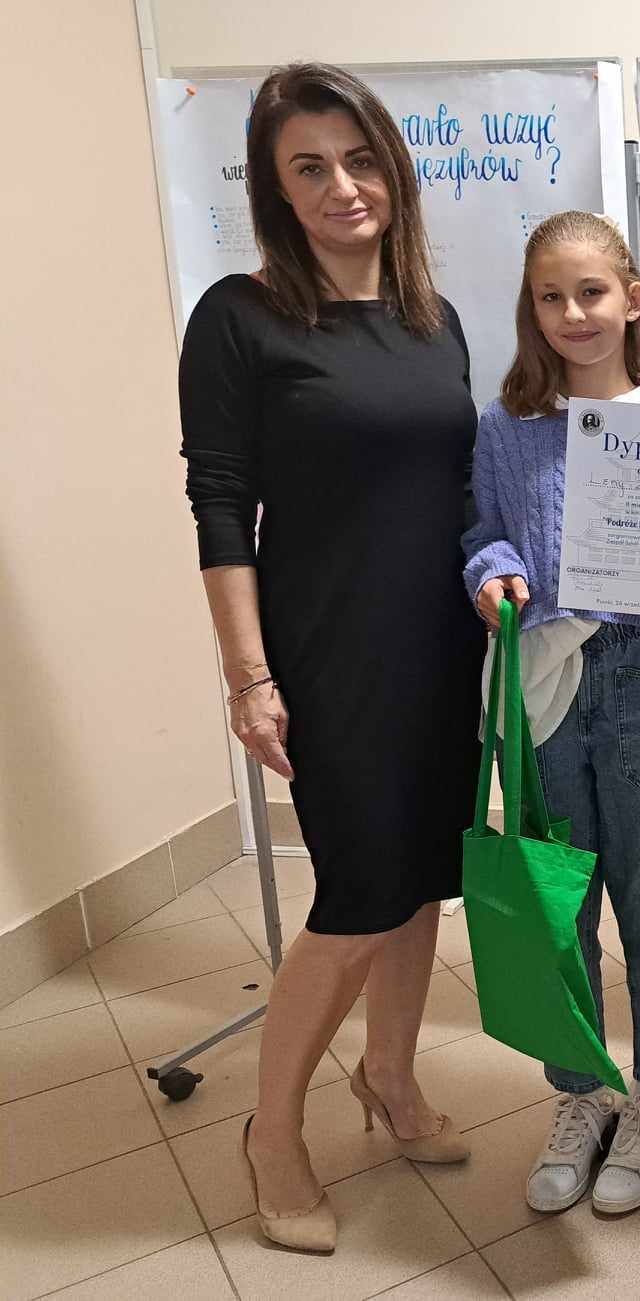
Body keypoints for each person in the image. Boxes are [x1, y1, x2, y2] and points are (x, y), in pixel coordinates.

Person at [180, 63, 482, 1254]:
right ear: (275, 190)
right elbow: (220, 504)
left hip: (443, 646)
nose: (342, 186)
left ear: (392, 170)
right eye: (309, 167)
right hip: (328, 650)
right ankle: (272, 1131)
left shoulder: (434, 321)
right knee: (356, 896)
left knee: (421, 882)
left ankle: (390, 1076)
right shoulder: (241, 317)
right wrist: (249, 676)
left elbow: (462, 490)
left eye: (359, 160)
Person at [462, 211, 640, 1216]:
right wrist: (494, 576)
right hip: (547, 682)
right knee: (559, 905)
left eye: (591, 291)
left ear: (632, 298)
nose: (573, 312)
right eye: (551, 296)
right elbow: (484, 536)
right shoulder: (507, 425)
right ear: (531, 309)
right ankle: (580, 1094)